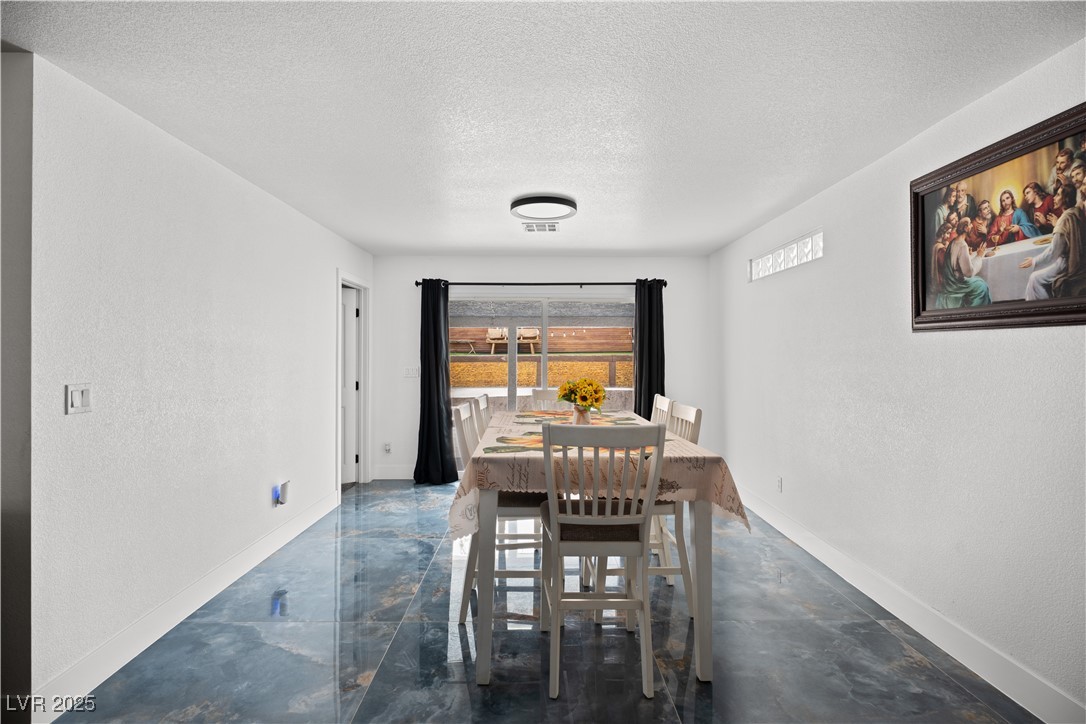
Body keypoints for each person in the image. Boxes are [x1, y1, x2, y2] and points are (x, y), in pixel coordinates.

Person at [1019, 184, 1085, 299]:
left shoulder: (1064, 219)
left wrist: (1034, 260)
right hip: (1076, 259)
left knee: (1034, 278)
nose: (1054, 198)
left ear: (1066, 198)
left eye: (1058, 195)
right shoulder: (1076, 211)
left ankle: (1043, 309)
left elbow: (1054, 251)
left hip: (1067, 263)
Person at [935, 227, 991, 308]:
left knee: (979, 281)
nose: (972, 227)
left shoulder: (953, 241)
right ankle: (974, 311)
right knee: (982, 285)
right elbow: (968, 273)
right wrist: (979, 256)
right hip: (956, 283)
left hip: (950, 281)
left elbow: (956, 261)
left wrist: (967, 255)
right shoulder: (962, 245)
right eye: (970, 225)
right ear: (966, 228)